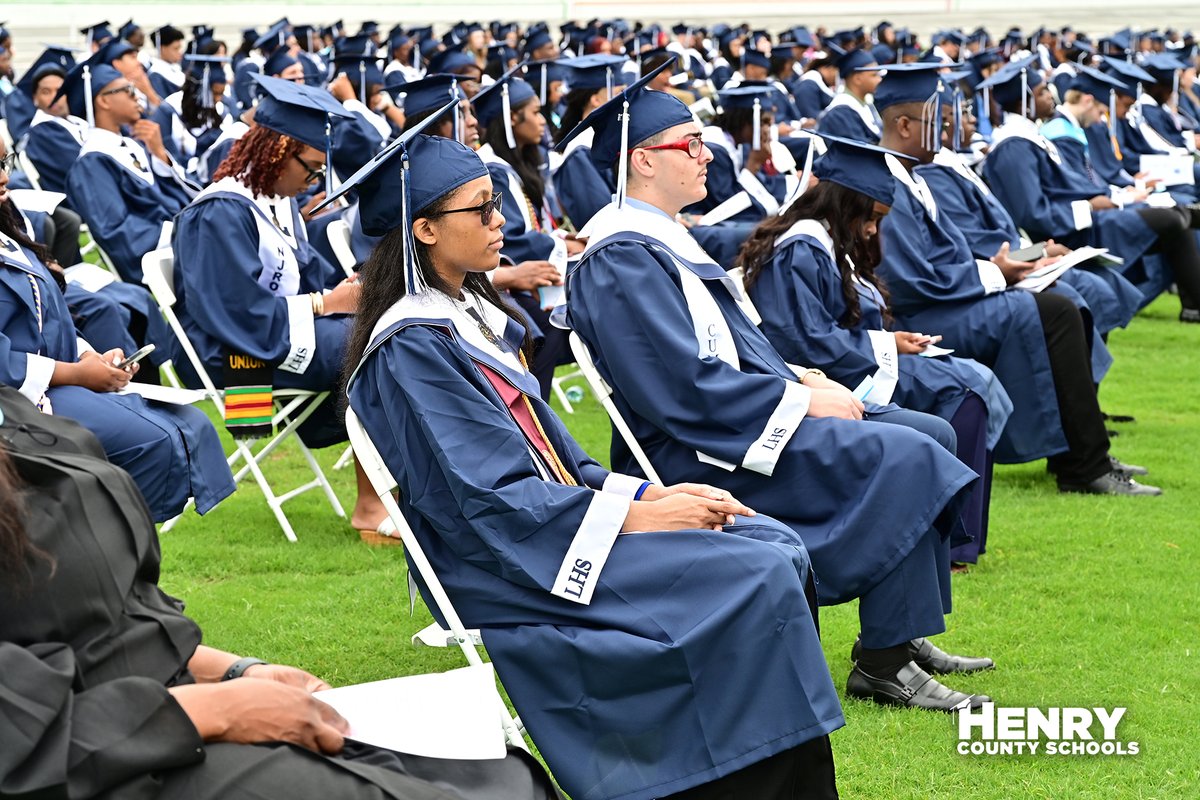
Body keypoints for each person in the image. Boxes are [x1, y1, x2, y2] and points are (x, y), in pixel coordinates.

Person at [330, 122, 844, 800]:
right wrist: (633, 522)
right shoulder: (412, 348)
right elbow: (493, 498)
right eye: (480, 209)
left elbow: (561, 460)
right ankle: (734, 777)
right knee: (752, 572)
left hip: (555, 522)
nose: (501, 220)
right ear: (424, 230)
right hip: (504, 557)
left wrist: (652, 499)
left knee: (772, 542)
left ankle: (759, 769)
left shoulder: (466, 316)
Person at [561, 64, 995, 712]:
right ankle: (882, 663)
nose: (708, 155)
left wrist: (800, 378)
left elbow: (734, 349)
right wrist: (798, 400)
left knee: (928, 429)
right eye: (691, 144)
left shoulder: (664, 239)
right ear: (643, 161)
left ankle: (899, 637)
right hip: (700, 448)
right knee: (909, 454)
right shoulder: (619, 256)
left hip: (741, 419)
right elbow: (680, 390)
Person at [0, 389, 560, 800]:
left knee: (494, 768)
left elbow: (100, 616)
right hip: (89, 759)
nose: (497, 225)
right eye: (483, 215)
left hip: (162, 706)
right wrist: (213, 709)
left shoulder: (16, 409)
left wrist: (235, 671)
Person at [873, 62, 1161, 495]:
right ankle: (1083, 465)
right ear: (903, 124)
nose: (950, 130)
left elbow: (950, 252)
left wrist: (1010, 268)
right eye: (938, 121)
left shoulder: (914, 177)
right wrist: (997, 273)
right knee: (1054, 310)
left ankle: (1081, 455)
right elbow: (910, 280)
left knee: (1060, 300)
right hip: (920, 318)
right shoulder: (889, 186)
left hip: (952, 299)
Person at [739, 133, 1013, 566]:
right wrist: (885, 344)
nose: (872, 229)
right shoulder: (802, 248)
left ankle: (956, 538)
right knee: (966, 389)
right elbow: (803, 342)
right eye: (872, 217)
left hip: (856, 363)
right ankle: (954, 543)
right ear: (846, 204)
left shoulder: (830, 242)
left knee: (972, 378)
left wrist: (893, 342)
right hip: (827, 380)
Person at [171, 75, 390, 541]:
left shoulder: (273, 202)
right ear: (276, 150)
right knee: (374, 343)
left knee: (389, 327)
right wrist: (327, 303)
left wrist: (337, 295)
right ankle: (372, 506)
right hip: (230, 351)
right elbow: (234, 312)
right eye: (310, 169)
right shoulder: (221, 212)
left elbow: (303, 283)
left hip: (275, 333)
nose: (313, 182)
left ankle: (395, 491)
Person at [0, 159, 233, 522]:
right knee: (154, 439)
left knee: (191, 422)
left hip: (52, 381)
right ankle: (104, 556)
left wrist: (90, 356)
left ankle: (118, 557)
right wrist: (78, 375)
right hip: (16, 400)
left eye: (4, 162)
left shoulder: (9, 235)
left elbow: (50, 319)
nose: (4, 176)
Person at [981, 58, 1200, 323]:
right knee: (1170, 220)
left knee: (1173, 221)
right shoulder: (1013, 148)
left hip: (1085, 219)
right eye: (1041, 92)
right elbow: (1033, 214)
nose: (1051, 95)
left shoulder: (1030, 138)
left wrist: (1108, 197)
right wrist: (1091, 206)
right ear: (1022, 101)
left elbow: (1069, 186)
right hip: (1070, 230)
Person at [473, 70, 583, 399]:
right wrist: (559, 243)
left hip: (525, 276)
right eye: (535, 113)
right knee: (543, 331)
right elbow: (515, 238)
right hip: (504, 278)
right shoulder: (492, 169)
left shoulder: (517, 164)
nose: (542, 121)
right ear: (511, 119)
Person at [62, 57, 197, 283]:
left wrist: (160, 155)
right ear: (103, 101)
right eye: (128, 90)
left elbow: (176, 197)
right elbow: (118, 232)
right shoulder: (91, 164)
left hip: (183, 241)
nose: (138, 97)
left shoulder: (133, 144)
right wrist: (182, 234)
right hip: (169, 258)